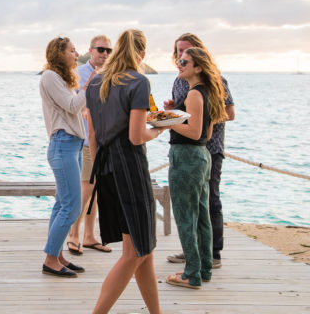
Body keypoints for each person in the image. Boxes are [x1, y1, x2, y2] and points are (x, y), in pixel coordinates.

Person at [85, 29, 164, 314]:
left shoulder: (95, 82)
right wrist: (158, 129)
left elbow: (92, 133)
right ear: (142, 54)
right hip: (129, 168)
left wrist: (99, 171)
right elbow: (135, 136)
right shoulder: (139, 81)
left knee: (145, 250)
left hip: (105, 168)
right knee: (134, 254)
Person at [165, 33, 235, 270]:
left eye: (185, 54)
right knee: (197, 208)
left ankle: (209, 257)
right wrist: (172, 110)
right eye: (178, 54)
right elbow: (184, 113)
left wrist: (166, 121)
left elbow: (222, 116)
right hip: (192, 148)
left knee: (206, 203)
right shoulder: (180, 82)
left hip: (206, 149)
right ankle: (196, 256)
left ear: (198, 56)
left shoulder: (212, 82)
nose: (180, 59)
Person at [39, 37, 93, 278]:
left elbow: (75, 109)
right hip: (63, 145)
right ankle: (51, 259)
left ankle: (57, 255)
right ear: (59, 53)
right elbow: (72, 107)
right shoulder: (49, 76)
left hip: (73, 145)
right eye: (72, 50)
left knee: (62, 204)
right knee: (72, 206)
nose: (76, 54)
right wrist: (90, 85)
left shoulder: (61, 79)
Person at [67, 35, 112, 255]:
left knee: (97, 189)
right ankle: (73, 233)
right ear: (91, 50)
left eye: (107, 50)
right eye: (100, 49)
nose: (104, 54)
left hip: (106, 140)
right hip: (86, 140)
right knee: (86, 188)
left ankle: (89, 235)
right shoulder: (79, 74)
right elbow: (72, 106)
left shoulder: (111, 75)